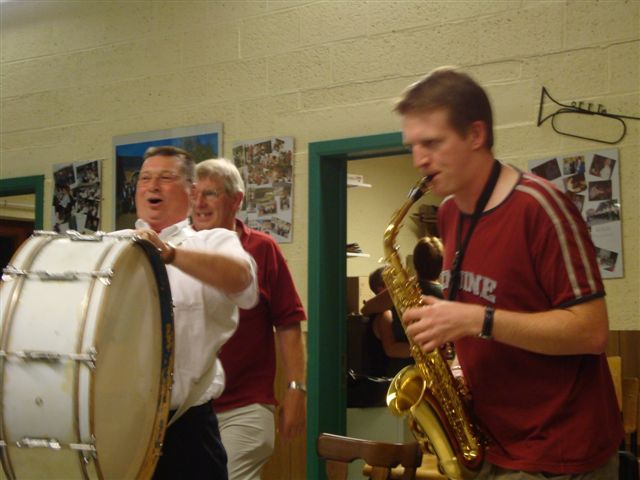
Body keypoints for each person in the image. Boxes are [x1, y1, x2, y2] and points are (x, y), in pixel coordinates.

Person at [396, 67, 622, 478]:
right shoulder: (448, 213)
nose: (419, 160)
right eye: (412, 146)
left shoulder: (540, 207)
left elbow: (591, 332)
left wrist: (475, 320)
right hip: (492, 443)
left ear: (476, 135)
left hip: (558, 453)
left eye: (432, 143)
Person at [127, 146, 258, 480]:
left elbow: (242, 280)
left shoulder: (211, 241)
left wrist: (169, 254)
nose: (152, 186)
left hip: (188, 429)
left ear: (190, 191)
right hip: (121, 427)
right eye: (145, 178)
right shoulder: (111, 247)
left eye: (166, 177)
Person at [190, 158, 307, 480]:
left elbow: (288, 323)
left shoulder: (263, 249)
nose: (199, 204)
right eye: (194, 194)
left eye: (210, 194)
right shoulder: (178, 248)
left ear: (236, 200)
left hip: (244, 408)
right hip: (190, 411)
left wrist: (296, 390)